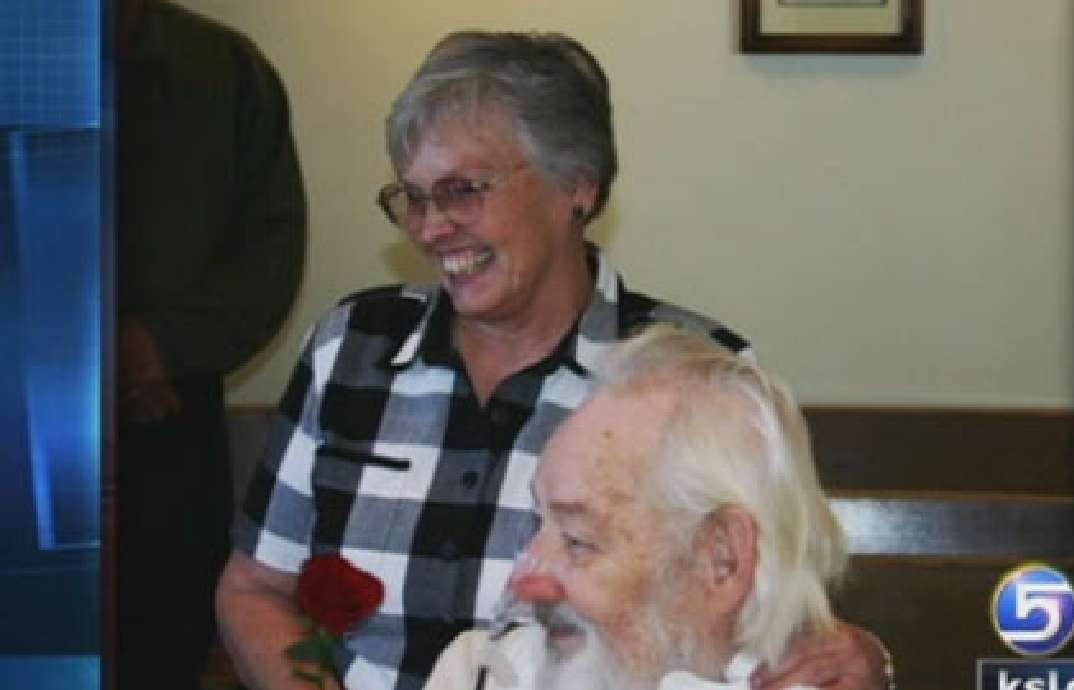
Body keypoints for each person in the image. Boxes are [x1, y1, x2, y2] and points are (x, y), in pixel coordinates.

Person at [217, 31, 887, 690]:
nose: (428, 227)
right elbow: (253, 590)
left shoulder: (695, 378)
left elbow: (779, 628)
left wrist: (861, 657)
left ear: (579, 186)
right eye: (414, 197)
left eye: (463, 191)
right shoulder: (350, 349)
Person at [423, 325, 854, 690]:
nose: (526, 581)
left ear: (721, 559)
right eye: (540, 524)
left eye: (578, 541)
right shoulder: (480, 673)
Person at [116, 0, 306, 688]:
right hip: (23, 431)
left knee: (167, 642)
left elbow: (271, 254)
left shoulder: (226, 72)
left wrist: (159, 347)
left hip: (170, 427)